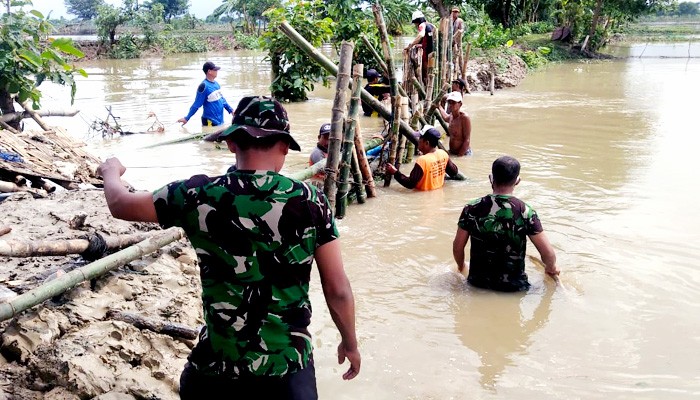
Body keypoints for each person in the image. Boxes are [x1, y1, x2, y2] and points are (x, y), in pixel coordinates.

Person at [98, 95, 361, 399]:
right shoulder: (311, 201)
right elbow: (337, 287)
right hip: (288, 368)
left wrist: (111, 172)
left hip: (218, 368)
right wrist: (350, 343)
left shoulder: (197, 194)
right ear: (285, 146)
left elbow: (120, 204)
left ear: (232, 143)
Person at [452, 155, 560, 292]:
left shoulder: (471, 208)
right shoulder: (526, 211)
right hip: (514, 289)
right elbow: (548, 254)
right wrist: (551, 268)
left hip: (477, 284)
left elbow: (457, 247)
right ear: (517, 181)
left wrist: (461, 267)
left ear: (491, 178)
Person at [384, 125, 459, 191]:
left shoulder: (423, 160)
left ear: (427, 143)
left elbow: (410, 184)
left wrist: (395, 172)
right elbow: (454, 172)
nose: (418, 140)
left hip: (423, 198)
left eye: (420, 138)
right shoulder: (443, 153)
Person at [177, 61, 233, 127]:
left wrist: (231, 110)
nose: (217, 71)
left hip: (220, 120)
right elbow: (196, 105)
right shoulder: (203, 86)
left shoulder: (216, 84)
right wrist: (187, 118)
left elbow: (222, 100)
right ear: (209, 71)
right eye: (215, 70)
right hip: (210, 121)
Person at [405, 10, 435, 87]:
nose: (415, 24)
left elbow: (421, 35)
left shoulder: (422, 25)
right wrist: (421, 44)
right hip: (432, 52)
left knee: (425, 73)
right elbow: (431, 37)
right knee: (430, 72)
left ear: (417, 21)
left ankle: (425, 90)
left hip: (426, 53)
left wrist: (410, 45)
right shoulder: (430, 25)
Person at [438, 91, 472, 156]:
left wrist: (459, 157)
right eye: (449, 102)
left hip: (463, 153)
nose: (450, 105)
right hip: (453, 152)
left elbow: (467, 140)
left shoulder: (464, 118)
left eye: (453, 103)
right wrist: (439, 107)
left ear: (460, 104)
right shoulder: (451, 115)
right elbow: (445, 117)